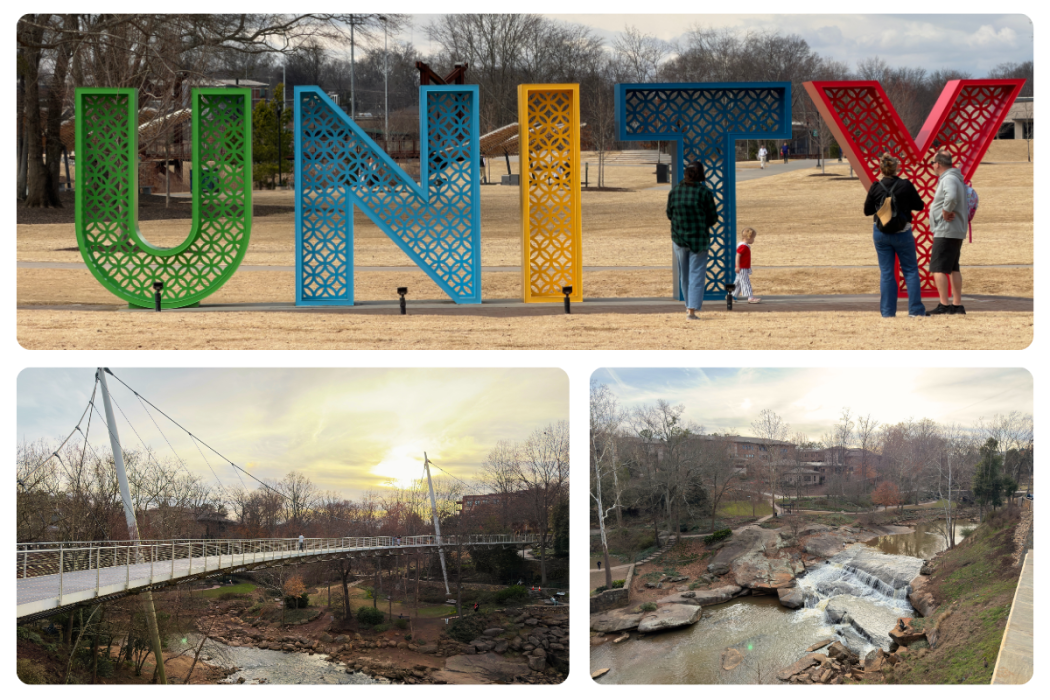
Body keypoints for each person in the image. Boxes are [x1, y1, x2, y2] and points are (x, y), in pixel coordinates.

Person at [863, 153, 928, 318]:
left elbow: (867, 211)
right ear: (896, 168)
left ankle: (887, 312)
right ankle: (915, 311)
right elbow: (919, 205)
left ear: (881, 169)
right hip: (902, 232)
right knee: (910, 270)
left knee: (886, 273)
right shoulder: (905, 185)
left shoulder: (875, 186)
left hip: (881, 233)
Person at [666, 160, 718, 320]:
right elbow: (712, 217)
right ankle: (691, 309)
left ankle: (688, 305)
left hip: (679, 238)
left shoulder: (675, 191)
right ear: (701, 174)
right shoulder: (704, 192)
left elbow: (669, 214)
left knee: (684, 274)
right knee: (696, 273)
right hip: (699, 239)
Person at [927, 150, 969, 315]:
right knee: (953, 267)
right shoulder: (955, 177)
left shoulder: (949, 178)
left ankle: (944, 305)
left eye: (932, 163)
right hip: (954, 230)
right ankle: (957, 305)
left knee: (938, 267)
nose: (932, 166)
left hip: (946, 230)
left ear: (938, 164)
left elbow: (951, 197)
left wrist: (945, 211)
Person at [734, 228, 761, 304]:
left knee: (738, 283)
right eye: (753, 238)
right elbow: (738, 256)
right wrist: (738, 266)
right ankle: (750, 297)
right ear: (749, 238)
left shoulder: (742, 245)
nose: (753, 240)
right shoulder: (743, 246)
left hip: (743, 267)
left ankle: (731, 295)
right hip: (742, 267)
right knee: (746, 282)